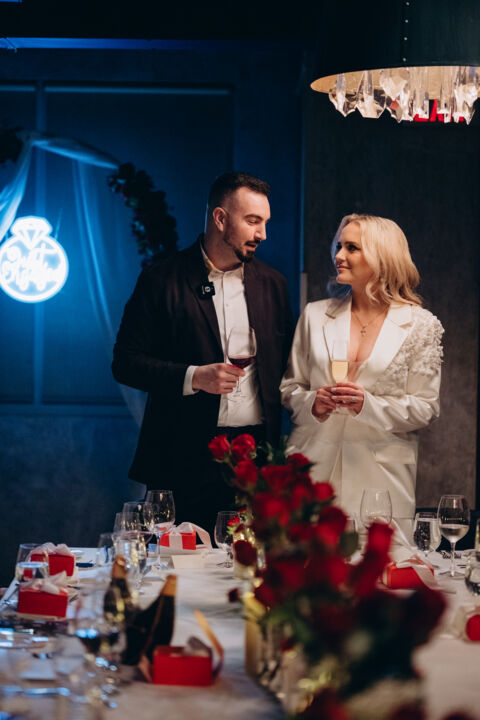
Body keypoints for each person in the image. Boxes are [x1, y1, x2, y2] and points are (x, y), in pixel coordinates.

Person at [112, 171, 293, 534]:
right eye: (252, 221)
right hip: (182, 459)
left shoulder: (273, 284)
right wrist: (194, 377)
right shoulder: (161, 280)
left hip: (256, 462)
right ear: (220, 218)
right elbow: (125, 364)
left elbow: (289, 365)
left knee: (248, 565)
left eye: (265, 222)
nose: (262, 234)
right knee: (179, 564)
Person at [280, 213, 444, 532]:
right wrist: (313, 403)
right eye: (339, 246)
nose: (338, 256)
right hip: (313, 469)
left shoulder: (420, 325)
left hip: (382, 476)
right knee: (307, 559)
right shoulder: (314, 315)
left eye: (352, 248)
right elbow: (290, 389)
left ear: (383, 257)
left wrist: (367, 406)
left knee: (379, 560)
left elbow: (426, 406)